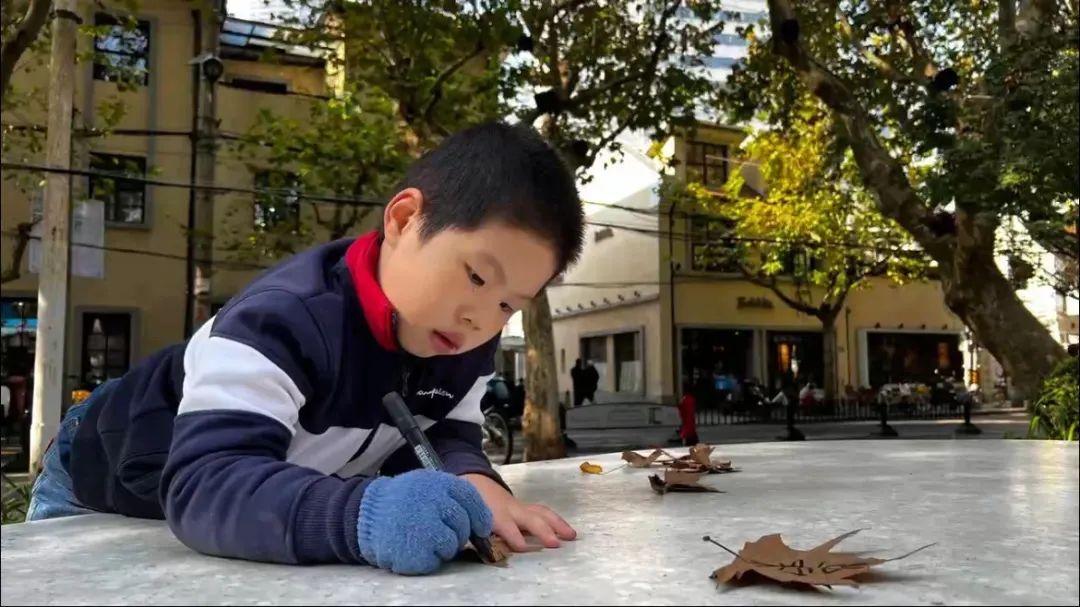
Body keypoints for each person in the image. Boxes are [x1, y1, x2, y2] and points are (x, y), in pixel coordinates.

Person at [25, 122, 584, 575]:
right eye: (477, 278)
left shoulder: (464, 342)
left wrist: (476, 483)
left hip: (237, 506)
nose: (481, 318)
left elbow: (444, 435)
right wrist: (364, 517)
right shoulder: (279, 319)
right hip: (99, 476)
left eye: (510, 305)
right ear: (404, 219)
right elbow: (205, 485)